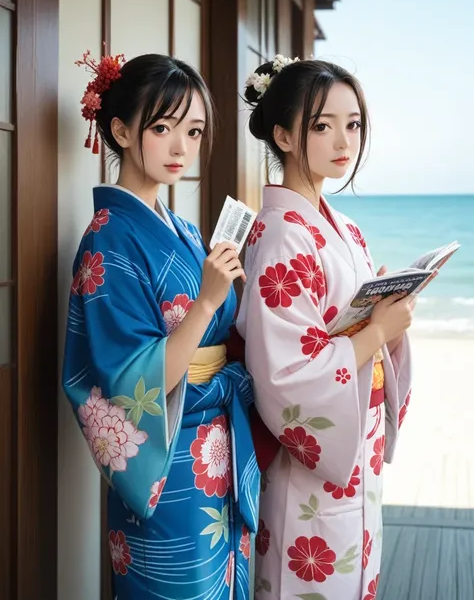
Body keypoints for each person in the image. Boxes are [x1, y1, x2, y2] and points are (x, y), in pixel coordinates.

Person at [62, 51, 259, 600]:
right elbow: (132, 385)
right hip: (164, 466)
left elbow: (221, 341)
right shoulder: (107, 240)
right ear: (121, 130)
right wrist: (205, 303)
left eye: (193, 131)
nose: (181, 147)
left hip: (215, 449)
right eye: (163, 127)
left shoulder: (187, 230)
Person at [237, 56, 413, 600]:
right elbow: (284, 374)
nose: (344, 139)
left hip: (352, 449)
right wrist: (376, 333)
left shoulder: (347, 230)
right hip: (309, 465)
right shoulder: (281, 236)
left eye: (353, 123)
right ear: (284, 135)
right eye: (322, 125)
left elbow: (341, 327)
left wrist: (383, 310)